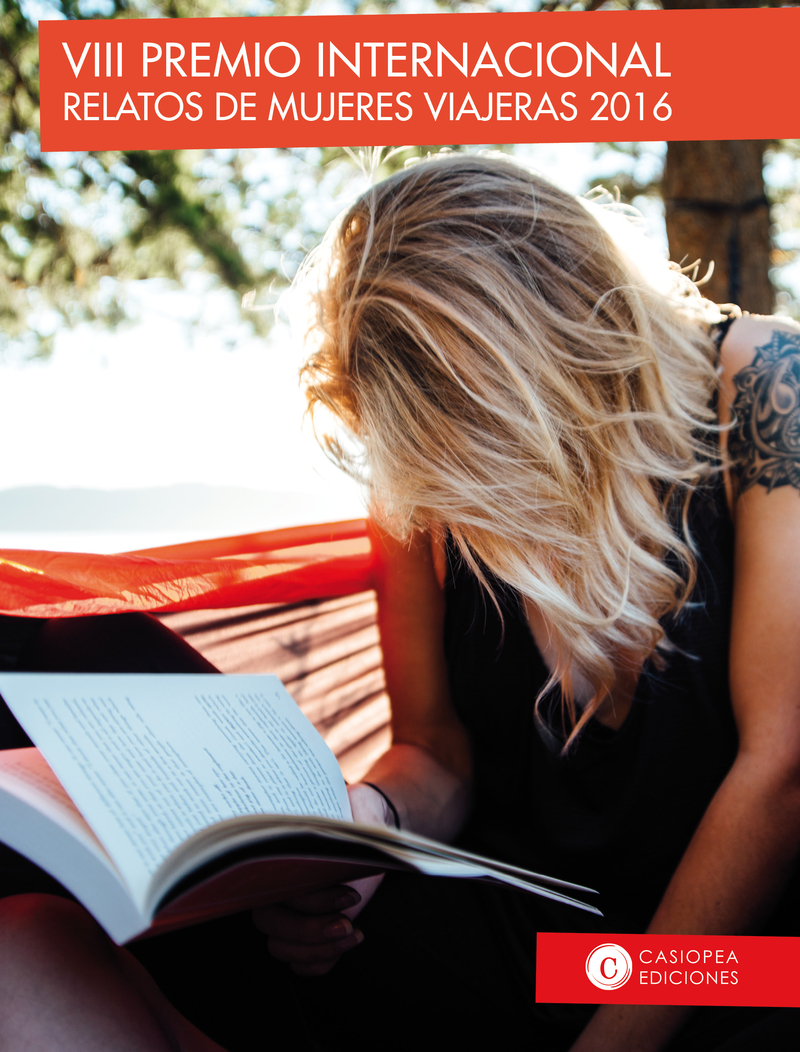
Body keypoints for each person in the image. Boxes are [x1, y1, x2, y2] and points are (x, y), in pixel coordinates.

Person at [0, 152, 799, 1051]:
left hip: (750, 956)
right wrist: (363, 830)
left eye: (475, 436)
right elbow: (436, 750)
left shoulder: (765, 378)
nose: (448, 492)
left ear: (562, 353)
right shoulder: (423, 472)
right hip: (538, 939)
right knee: (35, 915)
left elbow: (782, 764)